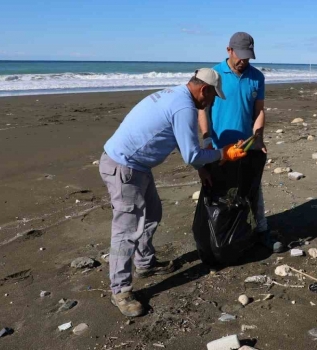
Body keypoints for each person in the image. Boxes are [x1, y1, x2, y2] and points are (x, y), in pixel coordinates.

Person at [99, 68, 247, 317]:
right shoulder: (184, 107)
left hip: (137, 166)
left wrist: (201, 169)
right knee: (126, 232)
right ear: (204, 90)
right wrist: (223, 154)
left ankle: (145, 263)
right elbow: (190, 153)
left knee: (152, 213)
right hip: (124, 168)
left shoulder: (175, 95)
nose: (210, 103)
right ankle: (120, 290)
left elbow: (181, 139)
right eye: (212, 98)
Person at [198, 32, 285, 253]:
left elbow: (259, 111)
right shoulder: (214, 74)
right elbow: (203, 110)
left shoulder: (257, 77)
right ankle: (218, 237)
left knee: (253, 190)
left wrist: (258, 138)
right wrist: (207, 139)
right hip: (219, 149)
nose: (243, 61)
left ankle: (261, 230)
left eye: (248, 57)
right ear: (229, 50)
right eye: (240, 56)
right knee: (217, 195)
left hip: (245, 147)